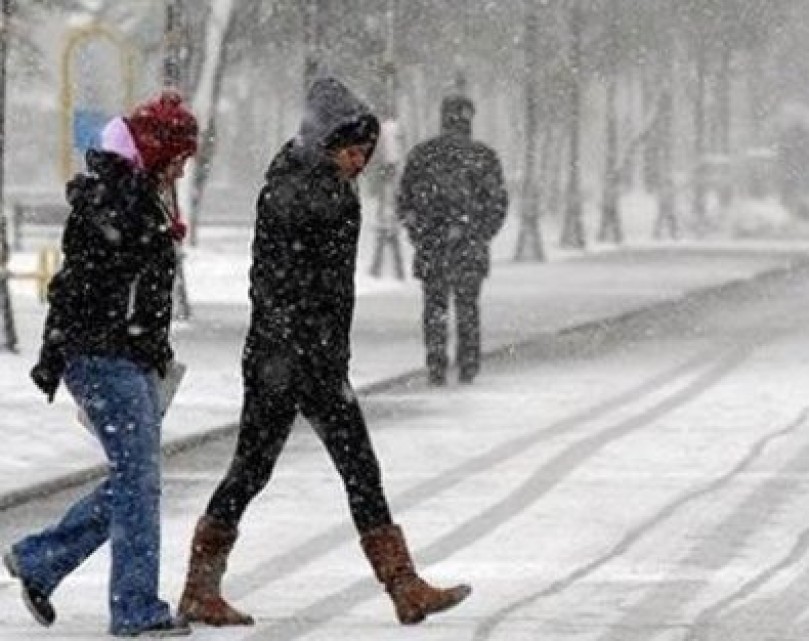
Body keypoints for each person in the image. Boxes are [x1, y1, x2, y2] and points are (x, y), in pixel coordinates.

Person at [176, 76, 470, 628]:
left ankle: (402, 588)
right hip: (290, 358)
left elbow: (319, 285)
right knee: (294, 468)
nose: (360, 161)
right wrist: (305, 351)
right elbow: (281, 283)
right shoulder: (301, 190)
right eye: (353, 150)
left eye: (365, 153)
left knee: (292, 467)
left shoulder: (319, 184)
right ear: (327, 141)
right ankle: (400, 587)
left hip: (301, 356)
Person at [5, 91, 197, 637]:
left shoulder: (142, 195)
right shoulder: (116, 196)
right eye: (180, 156)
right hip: (101, 356)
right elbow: (79, 284)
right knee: (139, 479)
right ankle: (134, 608)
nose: (184, 168)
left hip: (126, 354)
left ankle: (40, 559)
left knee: (136, 479)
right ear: (158, 149)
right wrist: (59, 351)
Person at [397, 92, 508, 386]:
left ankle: (436, 364)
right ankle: (468, 364)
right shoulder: (483, 156)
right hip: (469, 247)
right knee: (467, 307)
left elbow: (404, 202)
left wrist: (420, 235)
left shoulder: (422, 155)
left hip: (431, 246)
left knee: (434, 307)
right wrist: (479, 234)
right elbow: (498, 204)